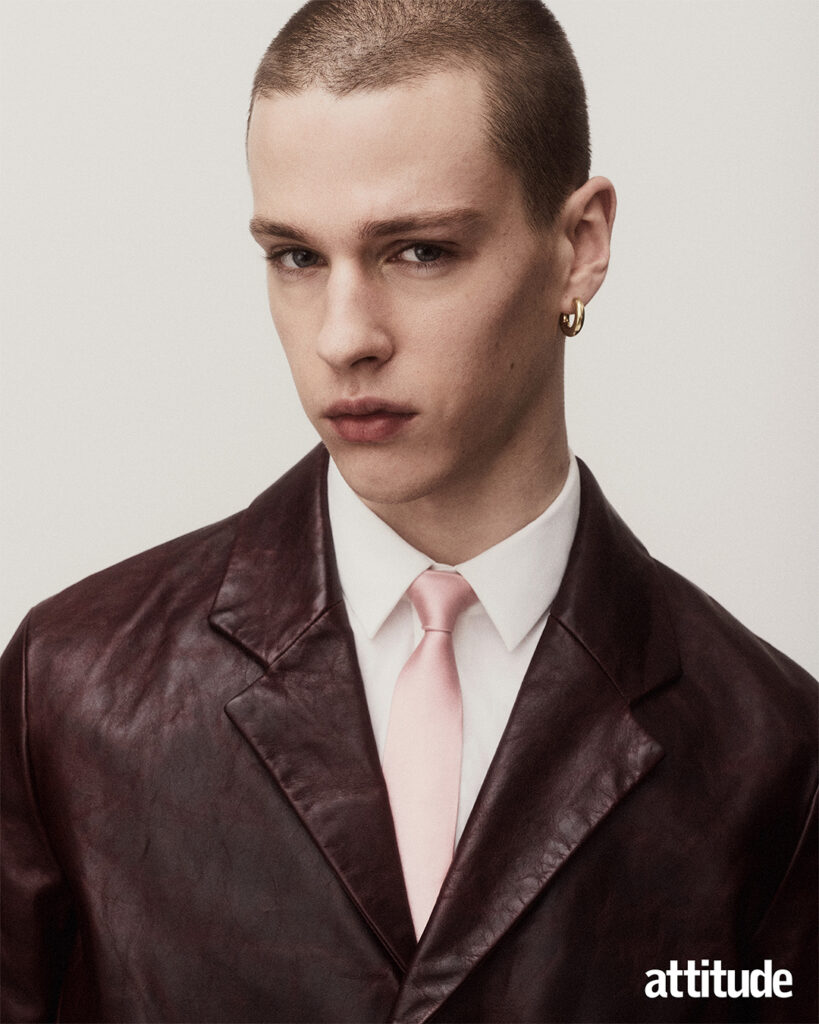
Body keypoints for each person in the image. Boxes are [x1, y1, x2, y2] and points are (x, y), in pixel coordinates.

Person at [1, 1, 815, 1021]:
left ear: (580, 247)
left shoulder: (774, 750)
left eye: (419, 251)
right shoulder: (71, 690)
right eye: (296, 256)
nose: (344, 336)